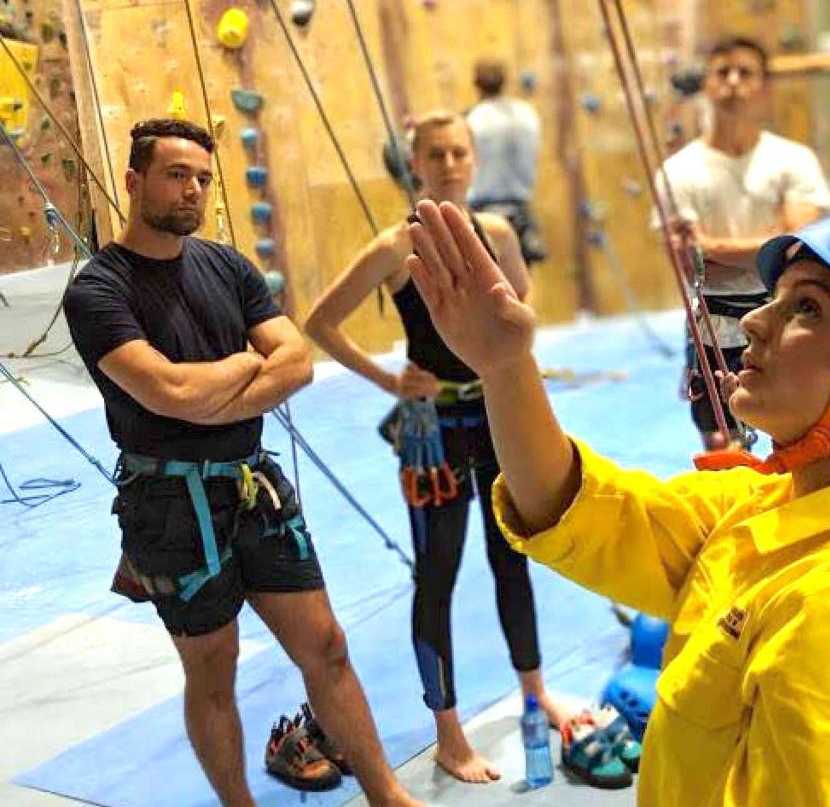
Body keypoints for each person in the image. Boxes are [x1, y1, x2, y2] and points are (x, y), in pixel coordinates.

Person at [407, 203, 830, 804]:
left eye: (807, 307)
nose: (754, 322)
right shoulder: (766, 502)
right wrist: (505, 367)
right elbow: (582, 512)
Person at [62, 119, 422, 807]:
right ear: (135, 181)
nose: (193, 190)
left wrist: (210, 394)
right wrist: (240, 365)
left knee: (328, 647)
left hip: (254, 485)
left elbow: (296, 363)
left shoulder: (226, 266)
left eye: (202, 177)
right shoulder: (99, 290)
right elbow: (163, 391)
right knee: (213, 671)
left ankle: (386, 795)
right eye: (176, 175)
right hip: (169, 507)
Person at [304, 111, 566, 784]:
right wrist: (392, 378)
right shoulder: (396, 247)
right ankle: (448, 731)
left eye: (459, 153)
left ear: (474, 160)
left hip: (496, 416)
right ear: (413, 164)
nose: (449, 164)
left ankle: (535, 691)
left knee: (514, 554)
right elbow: (320, 323)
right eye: (435, 155)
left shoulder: (500, 234)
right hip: (435, 432)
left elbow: (520, 311)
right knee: (438, 572)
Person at [657, 35, 830, 451]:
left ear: (764, 87)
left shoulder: (794, 160)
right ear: (706, 84)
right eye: (722, 72)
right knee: (722, 446)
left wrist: (713, 246)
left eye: (745, 72)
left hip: (785, 321)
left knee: (797, 440)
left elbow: (793, 247)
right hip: (714, 329)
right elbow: (691, 264)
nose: (733, 81)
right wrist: (763, 249)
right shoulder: (677, 171)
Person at [465, 59, 547, 266]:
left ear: (476, 85)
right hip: (520, 211)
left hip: (485, 212)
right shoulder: (526, 114)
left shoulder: (473, 120)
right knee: (522, 283)